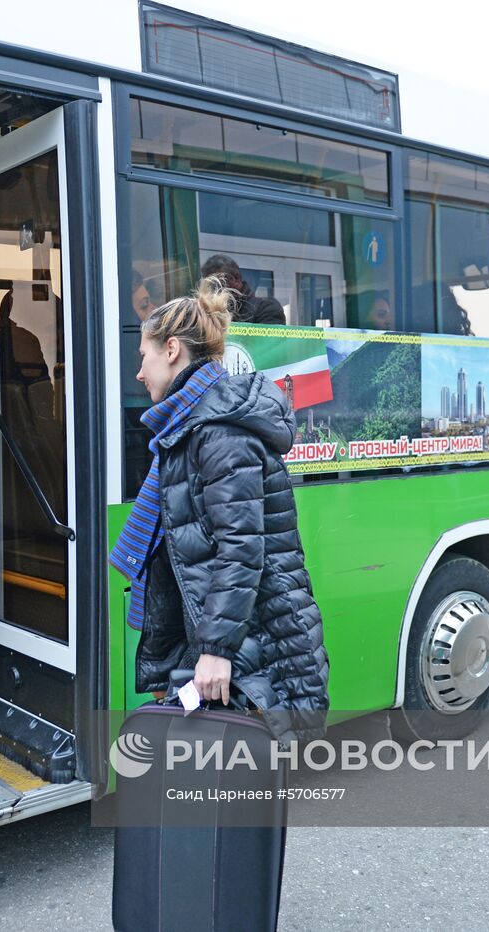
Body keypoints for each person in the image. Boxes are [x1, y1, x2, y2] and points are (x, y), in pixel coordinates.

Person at [110, 276, 328, 741]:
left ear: (172, 350)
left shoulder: (218, 434)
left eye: (142, 357)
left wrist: (215, 650)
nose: (139, 373)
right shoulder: (189, 426)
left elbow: (242, 551)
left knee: (235, 788)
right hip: (227, 630)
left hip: (255, 636)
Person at [199, 254, 286, 325]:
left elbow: (271, 345)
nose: (216, 290)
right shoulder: (204, 311)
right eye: (211, 285)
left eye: (220, 283)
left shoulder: (266, 308)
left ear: (236, 279)